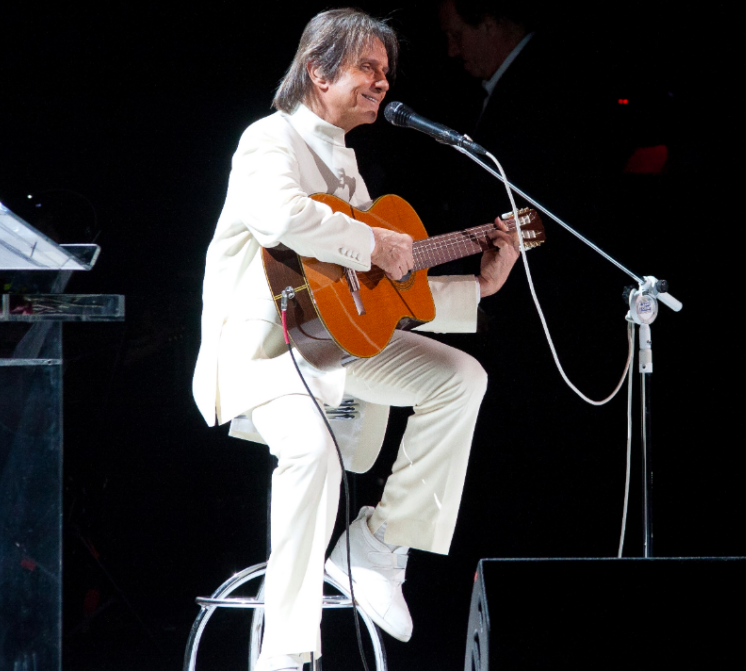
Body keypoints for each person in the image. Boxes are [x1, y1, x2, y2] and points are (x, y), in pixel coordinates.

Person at [191, 9, 520, 671]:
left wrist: (479, 286)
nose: (382, 82)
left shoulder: (346, 165)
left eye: (386, 71)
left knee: (460, 378)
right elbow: (281, 215)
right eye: (368, 67)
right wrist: (374, 242)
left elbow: (374, 298)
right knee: (310, 450)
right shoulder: (269, 139)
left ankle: (376, 543)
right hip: (265, 355)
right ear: (318, 70)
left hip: (324, 346)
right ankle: (284, 652)